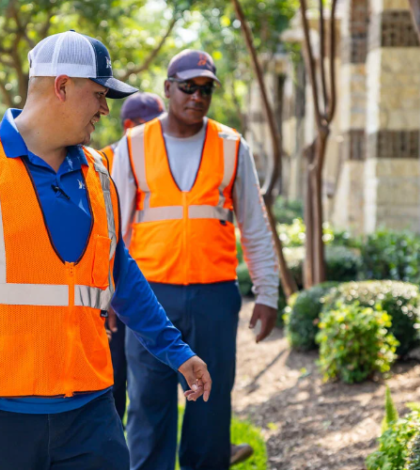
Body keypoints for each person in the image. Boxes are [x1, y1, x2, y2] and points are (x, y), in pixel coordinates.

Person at [0, 31, 213, 470]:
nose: (105, 109)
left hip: (88, 414)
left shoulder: (98, 173)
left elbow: (120, 274)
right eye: (99, 95)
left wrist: (176, 351)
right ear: (62, 86)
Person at [111, 49, 280, 470]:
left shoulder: (231, 145)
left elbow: (254, 225)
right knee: (147, 409)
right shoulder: (134, 145)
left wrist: (267, 292)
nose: (197, 96)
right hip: (149, 298)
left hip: (214, 297)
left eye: (206, 89)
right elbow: (112, 230)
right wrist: (106, 296)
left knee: (210, 408)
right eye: (188, 87)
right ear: (168, 88)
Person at [97, 91, 165, 422]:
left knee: (146, 382)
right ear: (129, 126)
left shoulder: (160, 164)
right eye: (151, 125)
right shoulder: (100, 163)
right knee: (114, 377)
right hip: (113, 289)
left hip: (144, 287)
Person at [98, 92, 165, 173]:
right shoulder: (102, 161)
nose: (160, 131)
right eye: (151, 126)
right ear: (128, 125)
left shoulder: (163, 158)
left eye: (162, 125)